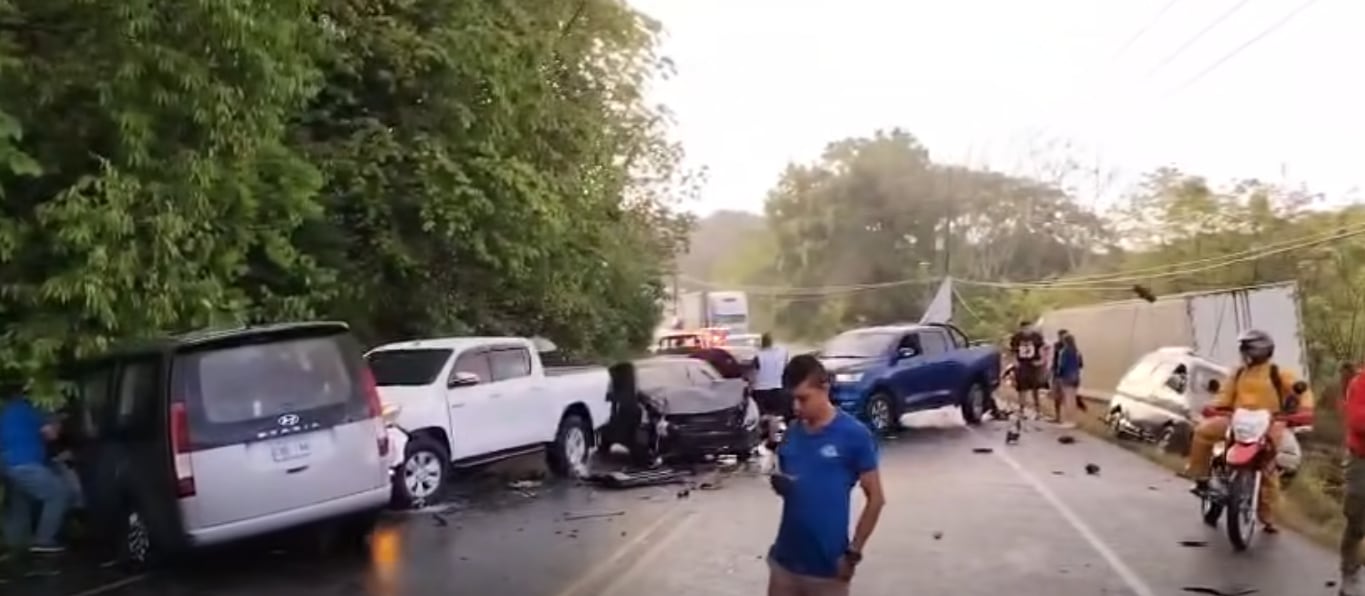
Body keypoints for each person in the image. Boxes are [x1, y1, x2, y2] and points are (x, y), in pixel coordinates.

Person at [767, 355, 884, 596]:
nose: (796, 408)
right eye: (793, 400)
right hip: (785, 564)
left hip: (828, 570)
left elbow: (876, 499)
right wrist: (780, 483)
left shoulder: (854, 435)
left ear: (825, 389)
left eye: (803, 399)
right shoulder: (791, 434)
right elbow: (792, 484)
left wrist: (853, 554)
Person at [1185, 329, 1314, 534]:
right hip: (1236, 419)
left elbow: (1303, 392)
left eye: (1247, 347)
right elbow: (1224, 396)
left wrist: (1304, 411)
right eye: (1243, 348)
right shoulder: (1238, 373)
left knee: (1268, 467)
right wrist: (1215, 407)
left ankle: (1267, 515)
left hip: (1269, 422)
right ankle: (1201, 478)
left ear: (1260, 350)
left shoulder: (1278, 373)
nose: (1243, 352)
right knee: (1202, 432)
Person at [1, 383, 71, 553]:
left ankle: (15, 544)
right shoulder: (33, 410)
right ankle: (44, 540)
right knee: (58, 493)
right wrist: (58, 421)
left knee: (20, 502)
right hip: (25, 464)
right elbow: (51, 434)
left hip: (6, 464)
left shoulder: (6, 412)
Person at [1338, 364, 1365, 596]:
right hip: (1361, 460)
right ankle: (1350, 571)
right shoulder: (1360, 383)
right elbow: (1357, 421)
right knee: (1356, 518)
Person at [1008, 321, 1047, 419]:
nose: (1027, 330)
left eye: (1029, 328)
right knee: (1022, 389)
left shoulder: (1037, 337)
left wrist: (1042, 360)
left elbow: (1042, 349)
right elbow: (1013, 351)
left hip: (1034, 364)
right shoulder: (1017, 337)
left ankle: (1038, 411)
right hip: (1022, 364)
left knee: (1036, 389)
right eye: (1025, 328)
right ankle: (1022, 410)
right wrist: (1015, 361)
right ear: (1021, 328)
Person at [751, 333, 791, 421]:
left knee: (762, 418)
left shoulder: (758, 355)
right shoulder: (782, 352)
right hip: (777, 390)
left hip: (760, 392)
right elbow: (786, 365)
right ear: (772, 342)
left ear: (762, 342)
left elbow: (753, 373)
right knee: (777, 417)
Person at [1050, 330, 1085, 425]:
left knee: (1067, 400)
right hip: (1075, 377)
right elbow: (1081, 365)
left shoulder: (1064, 352)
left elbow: (1061, 366)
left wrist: (1059, 375)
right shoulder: (1077, 352)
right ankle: (1073, 419)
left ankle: (1069, 420)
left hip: (1066, 377)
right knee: (1073, 399)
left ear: (1065, 342)